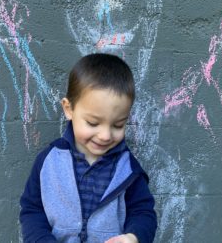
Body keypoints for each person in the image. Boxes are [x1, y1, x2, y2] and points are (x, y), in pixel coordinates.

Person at [19, 53, 157, 243]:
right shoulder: (49, 162)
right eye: (93, 123)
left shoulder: (128, 169)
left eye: (118, 125)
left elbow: (143, 212)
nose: (105, 135)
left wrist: (132, 237)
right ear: (69, 109)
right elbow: (32, 210)